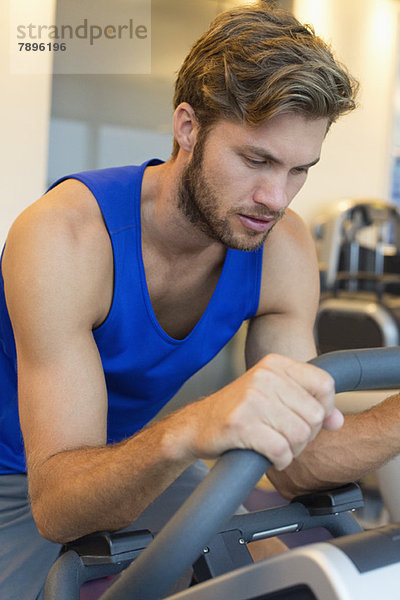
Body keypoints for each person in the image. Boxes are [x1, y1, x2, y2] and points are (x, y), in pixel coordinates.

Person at [0, 2, 363, 598]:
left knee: (271, 575)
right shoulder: (64, 236)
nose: (276, 197)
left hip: (130, 460)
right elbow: (61, 507)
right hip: (27, 480)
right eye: (256, 159)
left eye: (300, 170)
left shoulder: (283, 245)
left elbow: (299, 466)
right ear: (188, 129)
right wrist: (194, 426)